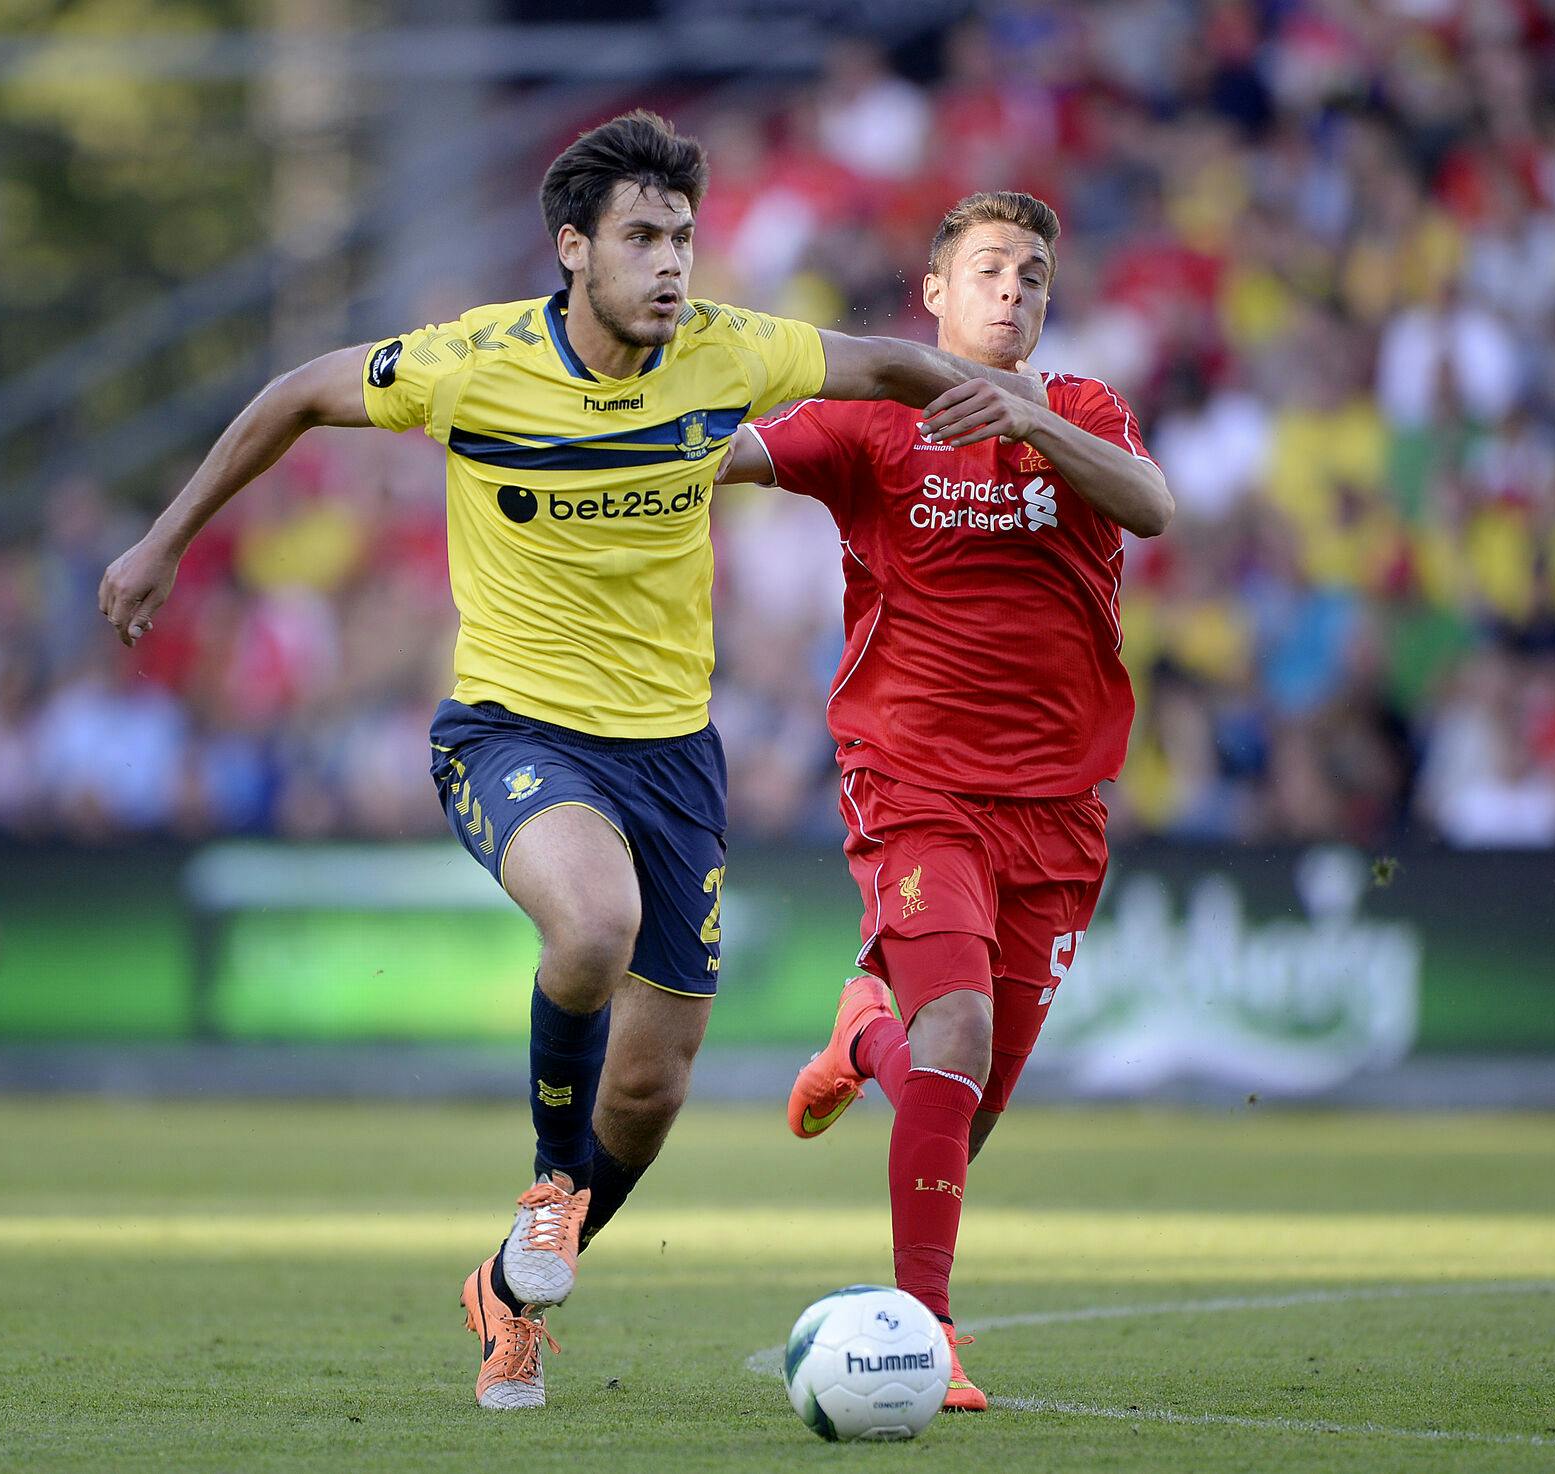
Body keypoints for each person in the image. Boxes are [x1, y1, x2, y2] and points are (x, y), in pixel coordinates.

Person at [98, 111, 1045, 1412]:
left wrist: (995, 397)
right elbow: (296, 394)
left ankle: (513, 1283)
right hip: (512, 733)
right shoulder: (472, 363)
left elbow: (879, 362)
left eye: (684, 240)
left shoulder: (730, 352)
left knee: (651, 1085)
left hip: (674, 759)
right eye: (643, 238)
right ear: (573, 249)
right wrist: (163, 543)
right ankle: (549, 1188)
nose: (671, 266)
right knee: (592, 926)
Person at [718, 190, 1173, 1409]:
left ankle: (863, 1033)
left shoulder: (1080, 410)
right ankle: (928, 1331)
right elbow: (741, 451)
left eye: (1033, 272)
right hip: (915, 784)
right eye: (988, 268)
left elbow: (1153, 503)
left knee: (957, 1108)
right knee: (957, 1039)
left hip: (1062, 809)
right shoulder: (877, 418)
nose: (1013, 289)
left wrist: (1022, 413)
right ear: (935, 290)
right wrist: (628, 429)